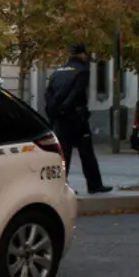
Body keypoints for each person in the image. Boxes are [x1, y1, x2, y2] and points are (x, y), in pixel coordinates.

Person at [45, 43, 110, 194]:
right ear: (82, 55)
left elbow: (48, 94)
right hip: (76, 117)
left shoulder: (57, 72)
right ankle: (94, 185)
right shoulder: (82, 71)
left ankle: (61, 186)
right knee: (86, 153)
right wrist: (67, 108)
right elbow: (76, 93)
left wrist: (54, 112)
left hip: (60, 119)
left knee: (64, 153)